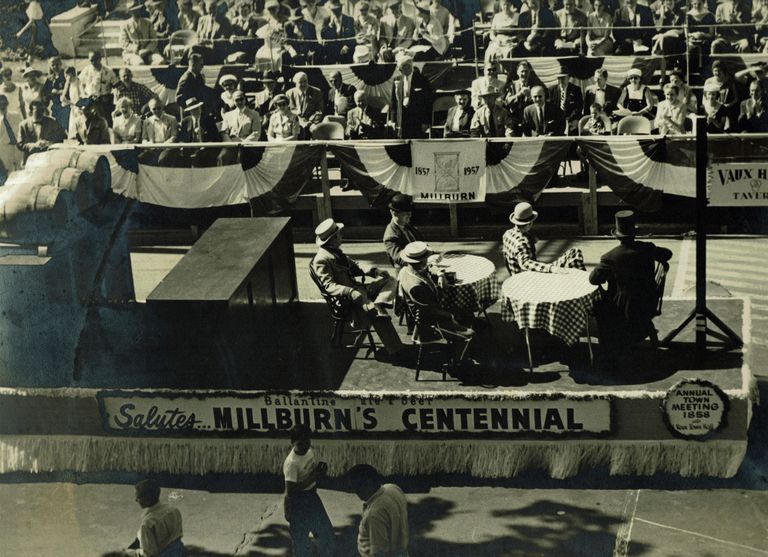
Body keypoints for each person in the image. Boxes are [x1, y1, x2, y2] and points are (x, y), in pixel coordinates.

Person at [589, 210, 673, 368]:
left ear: (617, 236)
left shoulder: (610, 257)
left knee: (598, 305)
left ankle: (609, 349)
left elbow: (594, 279)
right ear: (634, 233)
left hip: (624, 308)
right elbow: (668, 254)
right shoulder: (647, 248)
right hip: (648, 302)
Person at [311, 218, 405, 356]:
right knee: (376, 314)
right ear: (332, 239)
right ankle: (396, 349)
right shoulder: (322, 259)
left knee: (391, 280)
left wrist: (375, 271)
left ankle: (380, 303)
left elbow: (355, 265)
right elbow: (328, 286)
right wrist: (350, 292)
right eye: (339, 235)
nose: (341, 237)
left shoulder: (336, 252)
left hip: (360, 290)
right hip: (348, 299)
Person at [397, 241, 475, 367]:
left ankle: (458, 350)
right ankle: (457, 362)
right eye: (425, 259)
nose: (427, 261)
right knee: (470, 333)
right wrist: (451, 317)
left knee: (465, 311)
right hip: (429, 323)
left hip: (434, 309)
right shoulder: (415, 286)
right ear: (420, 262)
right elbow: (429, 312)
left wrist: (439, 274)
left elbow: (430, 266)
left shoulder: (407, 269)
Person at [283, 424, 335, 557]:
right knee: (301, 542)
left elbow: (310, 473)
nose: (305, 446)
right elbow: (291, 491)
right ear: (292, 443)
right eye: (300, 444)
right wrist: (314, 477)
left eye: (307, 442)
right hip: (298, 502)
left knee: (326, 533)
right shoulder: (291, 464)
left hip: (312, 496)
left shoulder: (309, 451)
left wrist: (318, 472)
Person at [502, 202, 585, 275]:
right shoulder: (522, 242)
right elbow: (525, 263)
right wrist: (551, 268)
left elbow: (508, 258)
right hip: (530, 278)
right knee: (575, 253)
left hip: (517, 275)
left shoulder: (507, 234)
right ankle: (584, 282)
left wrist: (530, 238)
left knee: (572, 254)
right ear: (530, 223)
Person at [347, 463, 409, 557]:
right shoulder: (393, 488)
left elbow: (380, 552)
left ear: (367, 484)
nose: (356, 493)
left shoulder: (374, 515)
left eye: (356, 488)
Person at [123, 479, 184, 557]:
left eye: (138, 497)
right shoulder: (174, 510)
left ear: (147, 500)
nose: (136, 500)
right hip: (178, 551)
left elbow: (149, 554)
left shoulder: (147, 524)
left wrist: (132, 552)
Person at [388, 54, 434, 139]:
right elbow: (393, 101)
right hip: (402, 118)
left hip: (417, 119)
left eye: (400, 68)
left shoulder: (422, 80)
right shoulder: (396, 80)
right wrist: (393, 120)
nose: (398, 70)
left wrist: (426, 121)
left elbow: (428, 102)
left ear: (408, 67)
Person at [383, 194, 423, 271]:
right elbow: (400, 258)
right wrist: (423, 262)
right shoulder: (390, 236)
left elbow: (422, 245)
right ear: (395, 213)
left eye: (410, 212)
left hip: (421, 270)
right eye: (406, 212)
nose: (410, 215)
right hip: (407, 276)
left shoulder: (409, 226)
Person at [78, 51, 118, 123]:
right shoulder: (87, 70)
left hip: (104, 101)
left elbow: (116, 85)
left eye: (95, 60)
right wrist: (84, 95)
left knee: (106, 122)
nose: (93, 62)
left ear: (100, 59)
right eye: (91, 60)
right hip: (91, 101)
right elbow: (79, 83)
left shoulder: (108, 71)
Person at [121, 1, 166, 65]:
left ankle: (153, 70)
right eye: (134, 11)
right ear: (130, 12)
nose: (137, 13)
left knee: (160, 61)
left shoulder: (148, 23)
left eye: (138, 10)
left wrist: (146, 50)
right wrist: (135, 49)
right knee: (139, 63)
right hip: (133, 53)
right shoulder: (125, 25)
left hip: (149, 52)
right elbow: (124, 42)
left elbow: (154, 39)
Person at [287, 71, 325, 139]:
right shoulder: (289, 94)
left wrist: (310, 121)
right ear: (295, 83)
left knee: (315, 130)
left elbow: (319, 111)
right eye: (300, 82)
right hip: (294, 122)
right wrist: (298, 121)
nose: (304, 84)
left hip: (311, 122)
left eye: (305, 81)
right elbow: (288, 110)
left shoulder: (316, 92)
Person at [0, 95, 22, 179]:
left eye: (4, 104)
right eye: (0, 104)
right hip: (4, 149)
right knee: (8, 172)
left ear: (7, 104)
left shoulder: (16, 116)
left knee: (20, 169)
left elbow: (22, 129)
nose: (2, 106)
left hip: (17, 147)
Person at [44, 56, 68, 131]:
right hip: (55, 106)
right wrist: (45, 106)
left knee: (67, 125)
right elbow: (46, 92)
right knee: (56, 126)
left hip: (66, 106)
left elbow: (70, 89)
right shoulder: (50, 78)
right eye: (52, 65)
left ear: (60, 64)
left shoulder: (66, 76)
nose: (55, 67)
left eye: (57, 64)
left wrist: (58, 92)